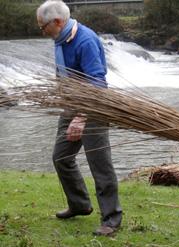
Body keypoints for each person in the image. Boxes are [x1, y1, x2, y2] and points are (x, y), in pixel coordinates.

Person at [36, 0, 122, 236]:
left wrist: (82, 117)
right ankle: (80, 204)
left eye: (43, 27)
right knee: (61, 157)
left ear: (58, 22)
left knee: (99, 164)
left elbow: (97, 82)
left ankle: (111, 219)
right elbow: (64, 73)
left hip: (93, 109)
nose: (42, 32)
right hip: (71, 106)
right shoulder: (61, 39)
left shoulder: (85, 40)